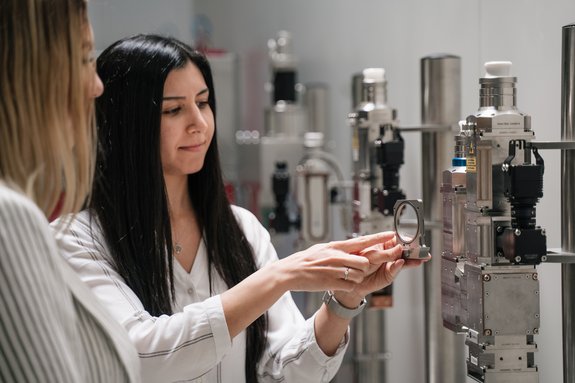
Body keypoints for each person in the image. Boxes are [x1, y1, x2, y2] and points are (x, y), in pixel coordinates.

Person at [52, 34, 428, 383]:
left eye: (202, 103)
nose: (199, 124)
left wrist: (344, 299)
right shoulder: (77, 241)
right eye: (173, 110)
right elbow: (142, 354)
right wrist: (281, 276)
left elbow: (285, 372)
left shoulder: (240, 229)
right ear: (126, 124)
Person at [0, 1, 141, 382]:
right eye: (82, 58)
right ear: (27, 72)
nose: (96, 86)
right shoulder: (10, 218)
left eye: (204, 103)